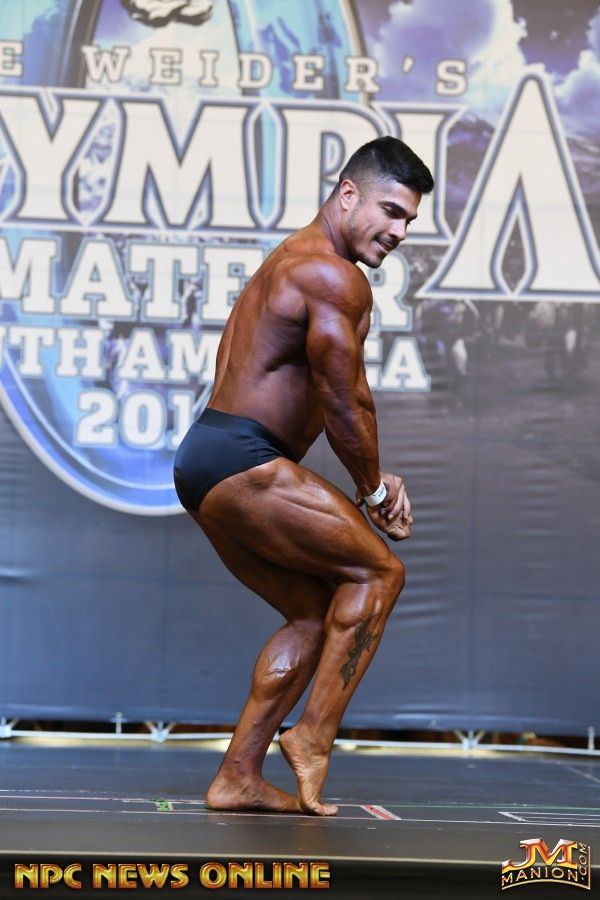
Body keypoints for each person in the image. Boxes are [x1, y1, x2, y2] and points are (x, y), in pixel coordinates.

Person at [174, 136, 434, 816]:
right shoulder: (331, 275)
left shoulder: (295, 258)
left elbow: (322, 395)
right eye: (390, 211)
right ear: (347, 194)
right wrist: (373, 491)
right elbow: (346, 400)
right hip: (243, 458)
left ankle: (237, 776)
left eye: (409, 220)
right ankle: (313, 737)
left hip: (208, 458)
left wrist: (372, 477)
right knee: (379, 574)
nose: (400, 232)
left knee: (314, 615)